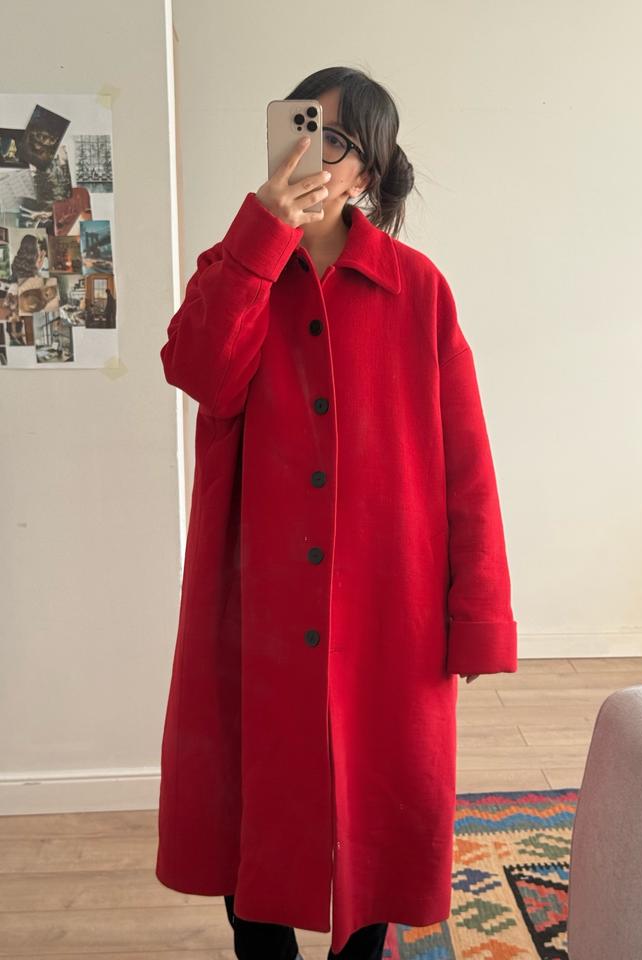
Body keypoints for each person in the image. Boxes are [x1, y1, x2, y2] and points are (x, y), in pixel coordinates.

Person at [155, 65, 517, 960]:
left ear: (368, 173)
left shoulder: (418, 289)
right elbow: (199, 371)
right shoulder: (235, 269)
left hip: (390, 605)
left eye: (338, 140)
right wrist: (260, 235)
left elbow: (468, 466)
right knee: (253, 806)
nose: (314, 154)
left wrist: (477, 616)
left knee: (383, 807)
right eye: (302, 127)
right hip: (255, 607)